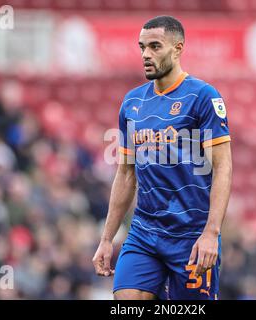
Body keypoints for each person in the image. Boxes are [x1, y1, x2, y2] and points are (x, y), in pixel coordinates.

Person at [92, 15, 232, 300]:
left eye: (155, 46)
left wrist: (211, 234)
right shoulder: (132, 103)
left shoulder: (203, 97)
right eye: (142, 47)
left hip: (191, 235)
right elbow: (126, 173)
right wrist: (107, 239)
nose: (146, 54)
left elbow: (223, 167)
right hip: (145, 232)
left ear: (178, 49)